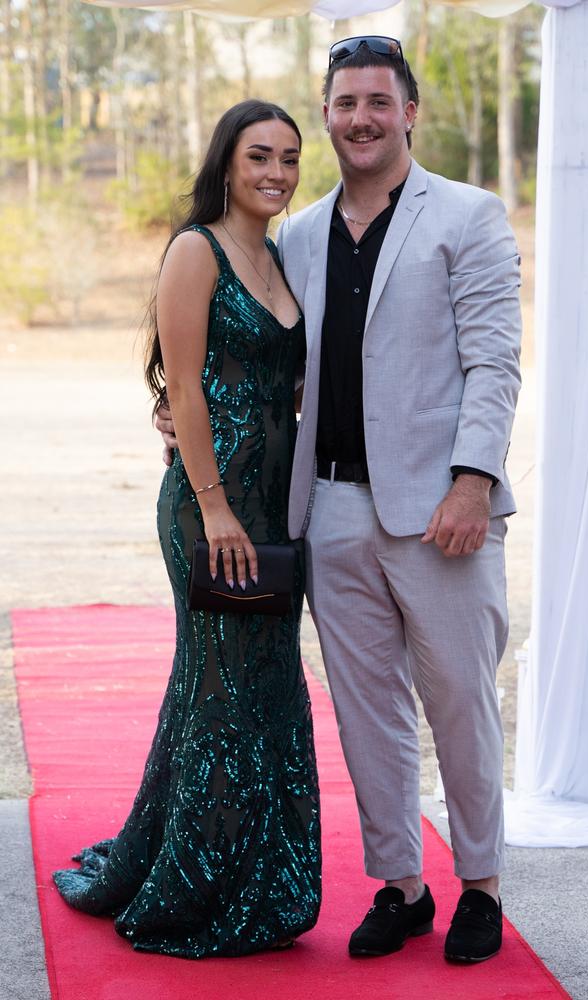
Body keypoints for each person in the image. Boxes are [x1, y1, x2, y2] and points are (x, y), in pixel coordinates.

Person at [159, 37, 522, 964]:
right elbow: (265, 352)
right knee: (367, 711)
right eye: (345, 103)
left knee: (460, 703)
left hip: (444, 511)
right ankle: (401, 885)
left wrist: (473, 482)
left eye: (378, 101)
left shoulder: (471, 216)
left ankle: (479, 884)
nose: (360, 117)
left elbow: (495, 362)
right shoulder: (304, 231)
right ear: (328, 115)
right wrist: (183, 408)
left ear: (410, 111)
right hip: (326, 509)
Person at [53, 100, 321, 957]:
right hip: (214, 511)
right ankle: (193, 886)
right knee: (224, 691)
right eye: (258, 157)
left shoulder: (275, 255)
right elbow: (188, 385)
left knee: (258, 687)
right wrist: (213, 508)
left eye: (287, 157)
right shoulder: (194, 250)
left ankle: (258, 873)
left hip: (275, 513)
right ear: (226, 161)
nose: (274, 173)